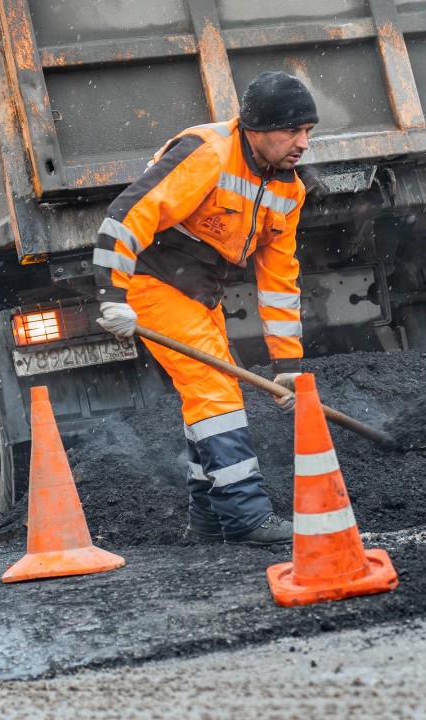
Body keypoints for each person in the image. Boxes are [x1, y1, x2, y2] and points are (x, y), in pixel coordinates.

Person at [92, 71, 318, 545]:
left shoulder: (289, 190)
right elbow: (128, 214)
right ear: (256, 128)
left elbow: (279, 281)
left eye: (308, 131)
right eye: (291, 131)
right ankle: (246, 516)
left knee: (210, 396)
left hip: (200, 294)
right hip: (152, 281)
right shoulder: (208, 152)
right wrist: (112, 295)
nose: (303, 143)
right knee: (214, 390)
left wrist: (287, 365)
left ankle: (209, 519)